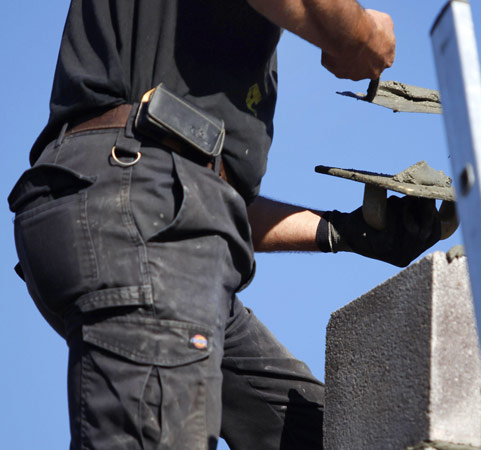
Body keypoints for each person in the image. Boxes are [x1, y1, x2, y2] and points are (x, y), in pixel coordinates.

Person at [8, 1, 443, 449]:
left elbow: (211, 199)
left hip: (139, 214)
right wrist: (361, 32)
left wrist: (338, 231)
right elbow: (165, 179)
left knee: (323, 436)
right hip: (141, 220)